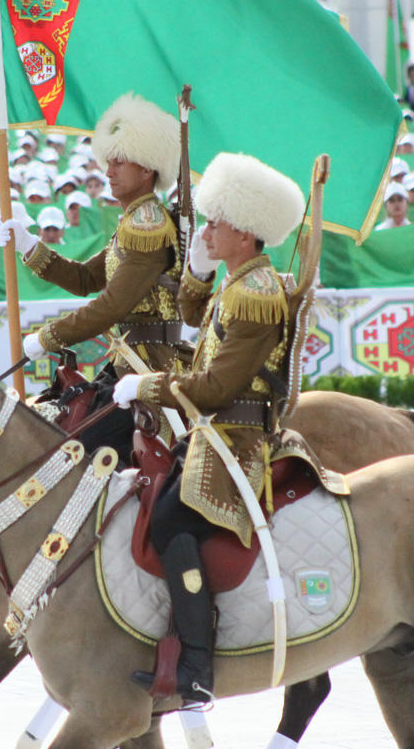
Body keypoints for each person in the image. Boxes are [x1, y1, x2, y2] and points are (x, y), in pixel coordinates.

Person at [112, 151, 304, 704]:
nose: (208, 229)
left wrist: (146, 386)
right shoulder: (243, 280)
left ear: (246, 234)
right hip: (213, 433)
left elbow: (218, 386)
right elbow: (200, 322)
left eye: (217, 223)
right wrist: (196, 274)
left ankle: (196, 663)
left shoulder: (256, 292)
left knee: (171, 522)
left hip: (236, 438)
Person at [0, 93, 184, 375]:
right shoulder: (135, 220)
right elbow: (85, 280)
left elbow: (112, 306)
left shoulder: (148, 226)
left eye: (119, 162)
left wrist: (48, 336)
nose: (108, 172)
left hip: (152, 368)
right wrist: (29, 246)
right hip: (132, 362)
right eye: (108, 162)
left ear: (146, 168)